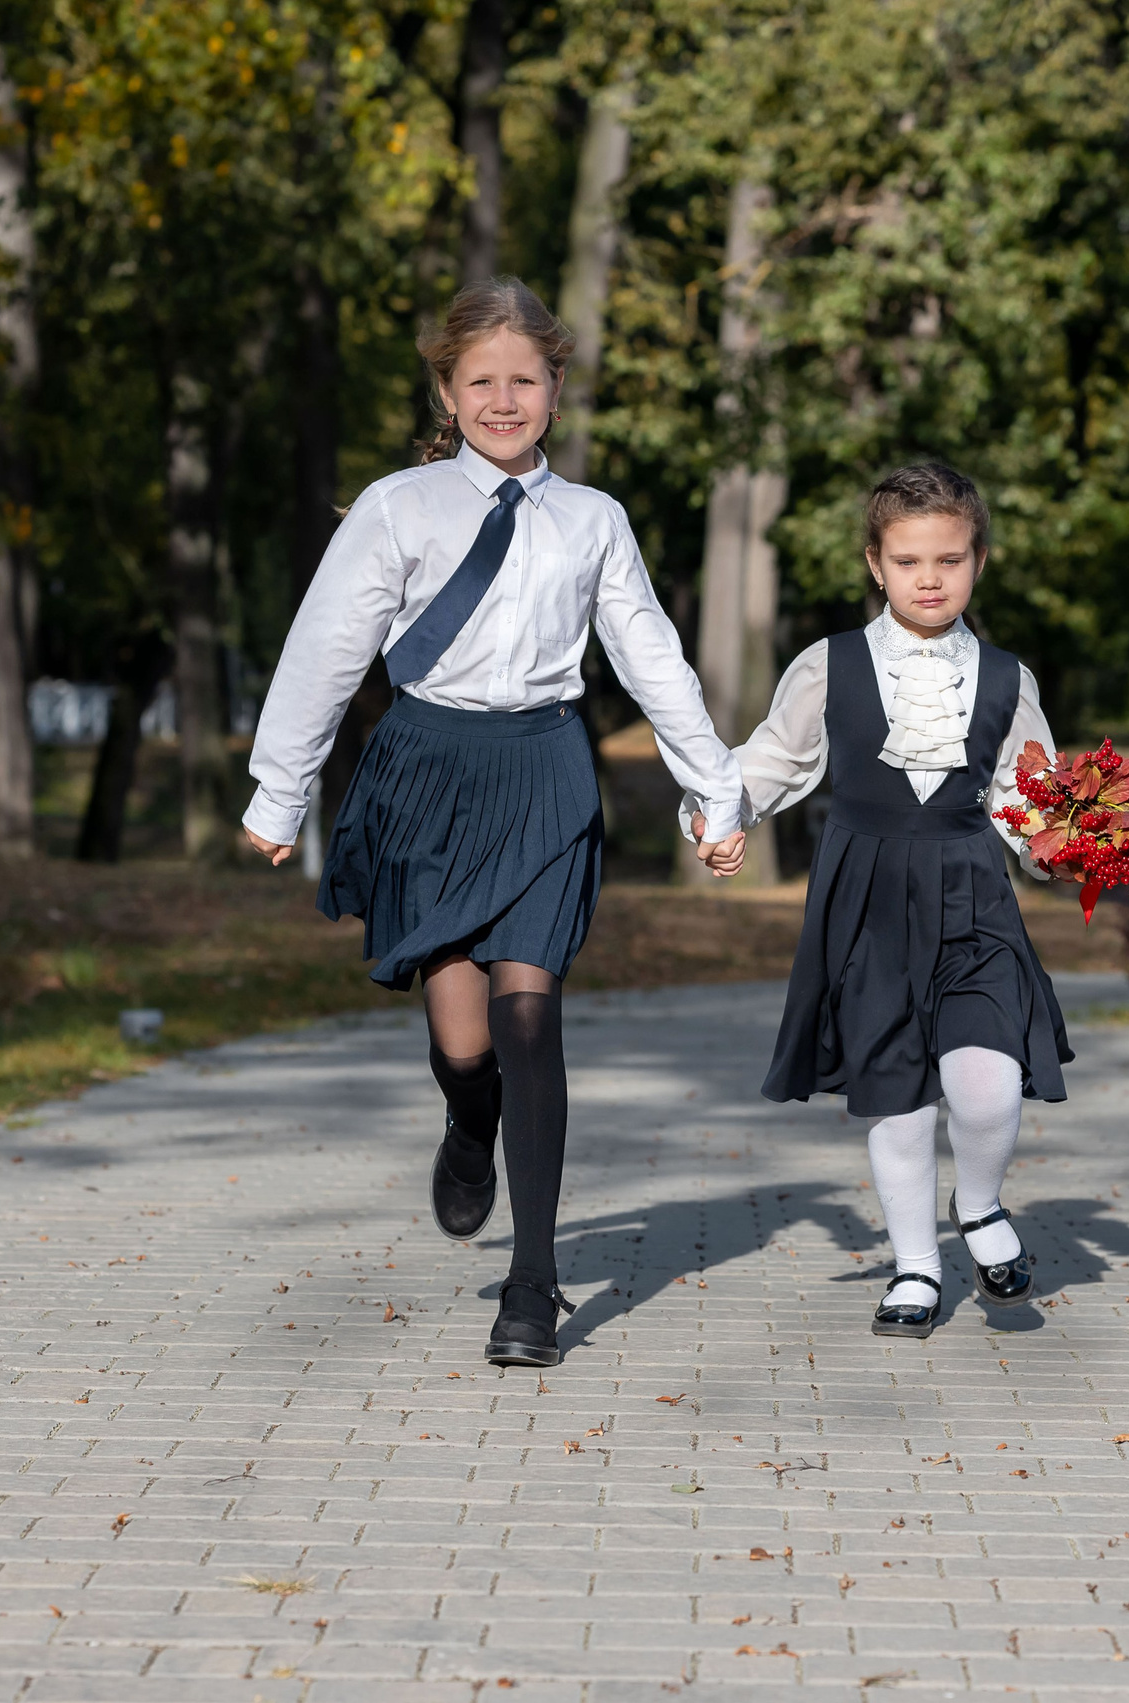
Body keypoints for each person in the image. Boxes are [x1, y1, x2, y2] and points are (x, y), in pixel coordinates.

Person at [243, 278, 748, 1369]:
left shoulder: (593, 519)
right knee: (465, 1042)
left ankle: (533, 1282)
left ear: (557, 387)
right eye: (481, 380)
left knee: (531, 1019)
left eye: (525, 378)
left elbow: (651, 656)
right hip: (429, 771)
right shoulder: (398, 506)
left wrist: (712, 789)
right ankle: (468, 1119)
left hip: (545, 771)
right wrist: (279, 791)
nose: (504, 398)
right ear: (446, 388)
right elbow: (326, 646)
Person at [688, 463, 1071, 1337]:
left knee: (987, 1085)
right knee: (896, 1093)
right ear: (875, 563)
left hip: (973, 892)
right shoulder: (829, 665)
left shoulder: (1010, 677)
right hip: (867, 897)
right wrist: (720, 814)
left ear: (979, 559)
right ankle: (915, 1266)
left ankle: (977, 1207)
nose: (929, 578)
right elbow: (774, 758)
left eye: (948, 558)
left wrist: (1067, 847)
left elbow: (1026, 792)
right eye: (907, 561)